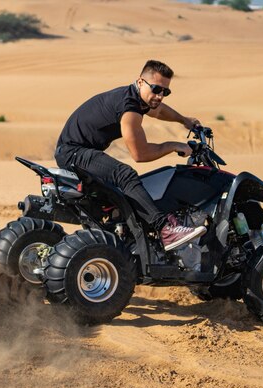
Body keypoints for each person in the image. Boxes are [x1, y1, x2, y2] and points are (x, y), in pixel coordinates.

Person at [54, 59, 206, 251]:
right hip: (74, 153)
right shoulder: (130, 107)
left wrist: (184, 120)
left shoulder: (135, 97)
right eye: (157, 89)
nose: (160, 96)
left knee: (116, 191)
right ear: (141, 82)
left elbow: (158, 111)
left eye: (165, 92)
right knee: (125, 175)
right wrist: (173, 145)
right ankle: (165, 230)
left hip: (72, 151)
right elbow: (140, 154)